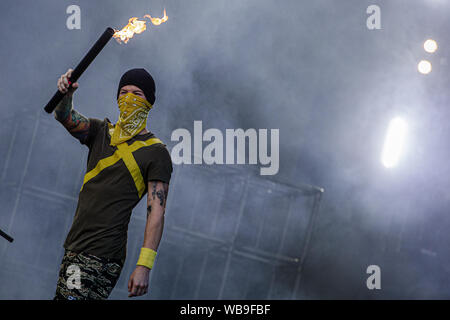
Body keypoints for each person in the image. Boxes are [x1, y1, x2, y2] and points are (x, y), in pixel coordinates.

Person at [52, 68, 172, 299]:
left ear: (150, 102)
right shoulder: (100, 131)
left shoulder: (156, 152)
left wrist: (144, 266)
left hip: (101, 253)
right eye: (124, 92)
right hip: (75, 245)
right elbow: (65, 116)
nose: (128, 98)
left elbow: (156, 213)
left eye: (137, 93)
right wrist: (65, 94)